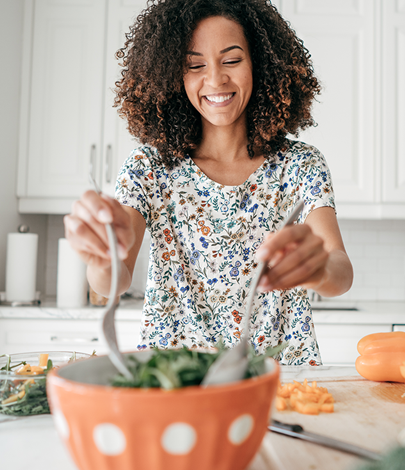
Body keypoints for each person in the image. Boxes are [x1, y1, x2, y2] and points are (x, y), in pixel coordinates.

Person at [64, 0, 353, 365]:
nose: (215, 80)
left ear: (259, 64)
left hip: (280, 382)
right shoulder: (150, 168)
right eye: (195, 66)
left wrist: (319, 269)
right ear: (173, 76)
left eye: (231, 60)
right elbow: (111, 282)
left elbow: (340, 271)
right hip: (178, 381)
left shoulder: (299, 165)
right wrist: (102, 258)